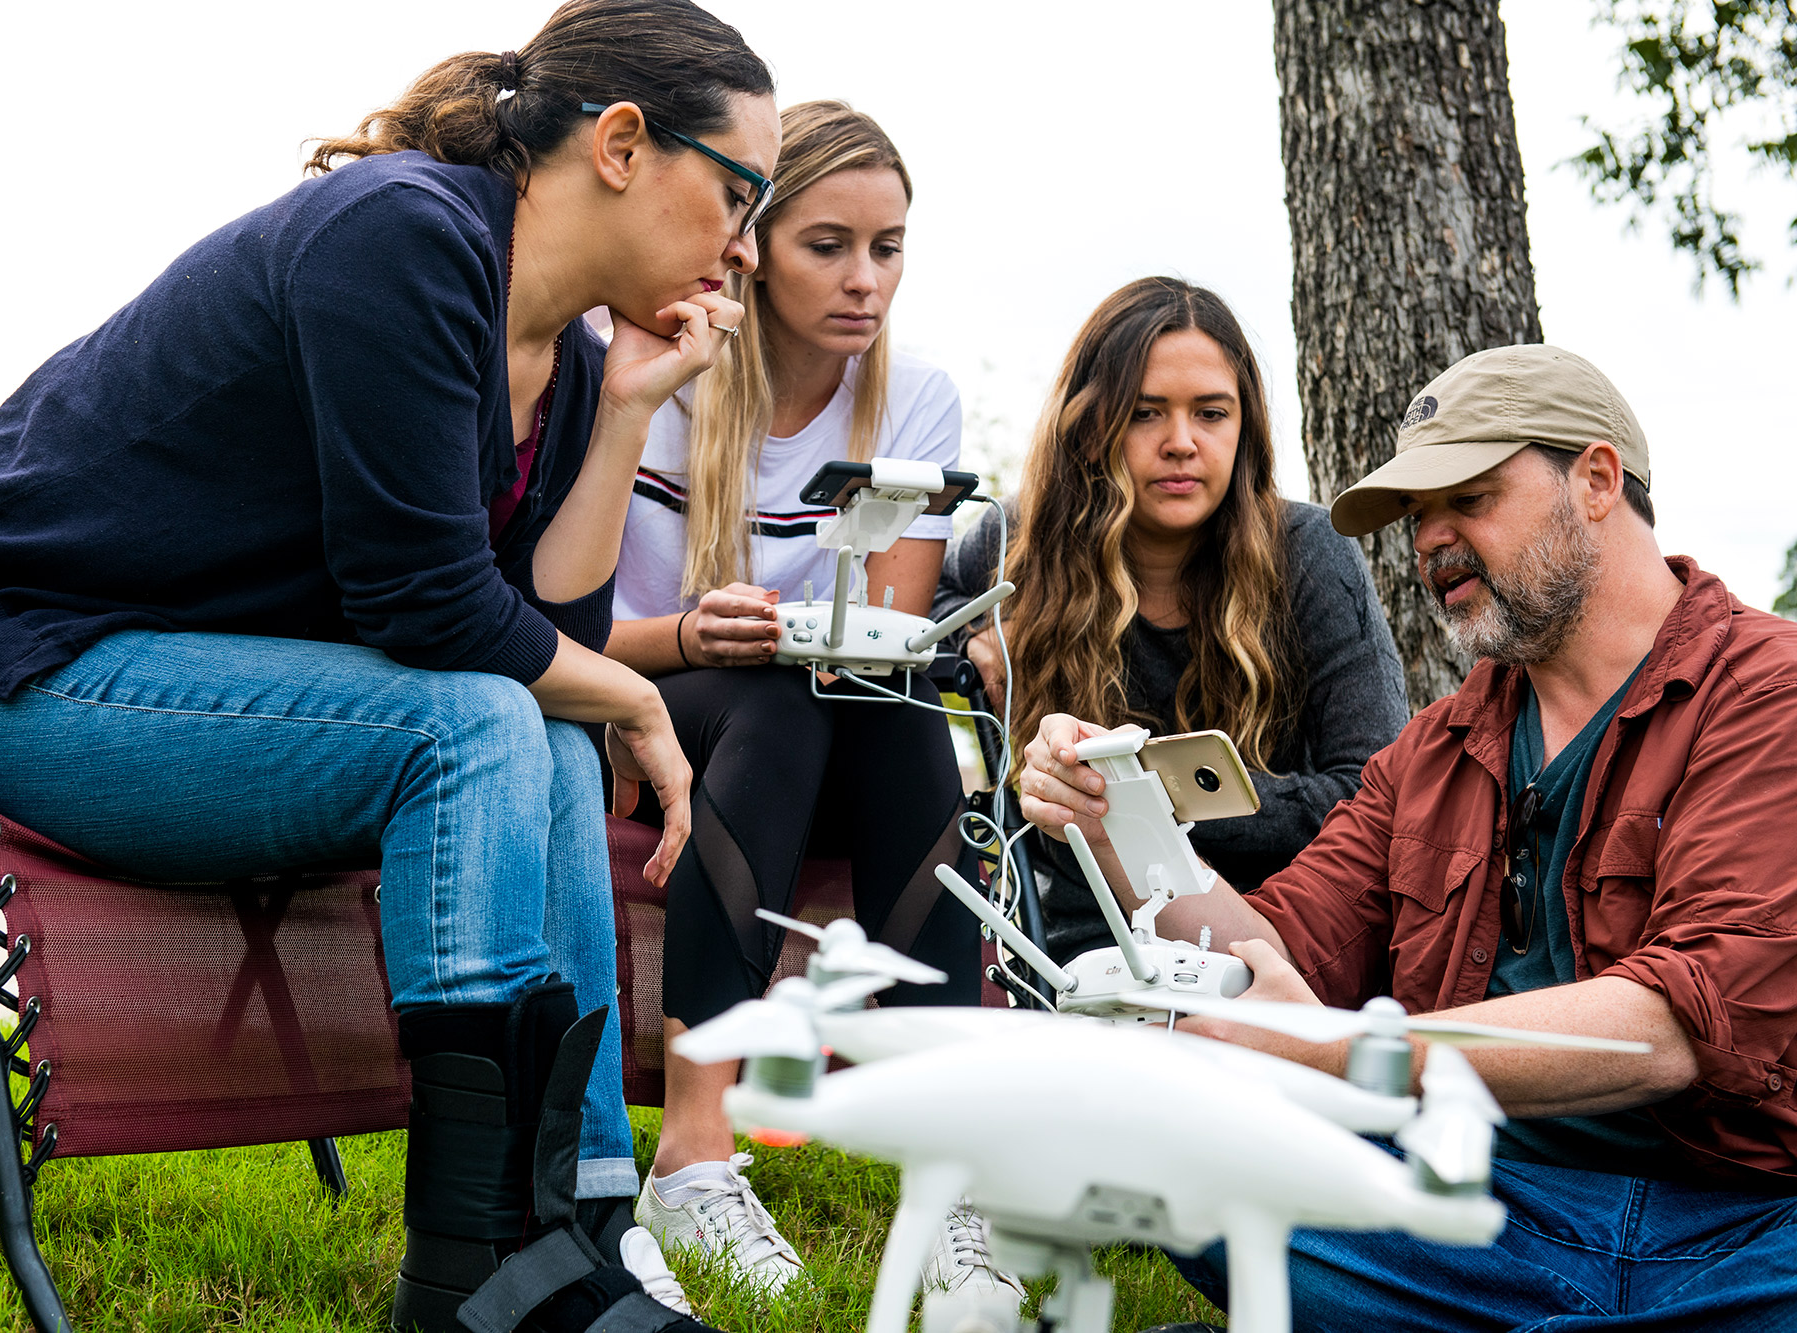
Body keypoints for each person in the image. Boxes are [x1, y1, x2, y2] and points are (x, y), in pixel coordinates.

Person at [0, 4, 780, 1331]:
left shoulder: (561, 356)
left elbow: (522, 615)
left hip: (188, 685)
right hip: (9, 657)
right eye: (739, 190)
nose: (744, 244)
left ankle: (581, 1227)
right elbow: (431, 610)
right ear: (622, 143)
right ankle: (476, 1268)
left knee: (539, 730)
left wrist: (626, 405)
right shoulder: (403, 237)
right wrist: (636, 693)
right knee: (475, 725)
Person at [1022, 344, 1797, 1331]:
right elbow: (1269, 957)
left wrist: (1350, 1053)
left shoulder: (1764, 692)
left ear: (1595, 480)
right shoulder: (1430, 751)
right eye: (1415, 517)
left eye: (1466, 497)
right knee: (1178, 1150)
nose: (1431, 539)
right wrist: (1115, 820)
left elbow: (1671, 1028)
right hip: (1466, 1210)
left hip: (1736, 1233)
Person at [603, 100, 1013, 1315]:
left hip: (816, 721)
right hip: (640, 691)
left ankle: (945, 1169)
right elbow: (558, 622)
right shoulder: (656, 374)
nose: (864, 280)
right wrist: (684, 634)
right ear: (754, 243)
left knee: (894, 717)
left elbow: (874, 648)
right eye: (827, 244)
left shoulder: (914, 399)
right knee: (778, 708)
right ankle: (691, 1153)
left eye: (887, 248)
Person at [934, 277, 1408, 963]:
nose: (1182, 442)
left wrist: (1145, 796)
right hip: (1071, 947)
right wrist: (974, 639)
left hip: (1269, 940)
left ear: (1244, 425)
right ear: (1092, 423)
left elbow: (1373, 790)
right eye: (1146, 412)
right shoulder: (1019, 540)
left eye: (1211, 413)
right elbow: (929, 603)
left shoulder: (1308, 553)